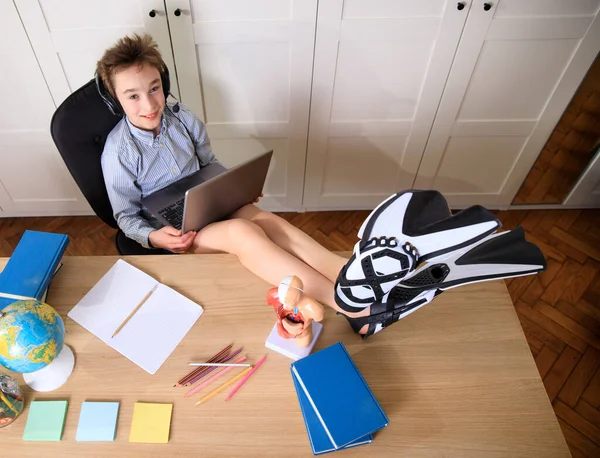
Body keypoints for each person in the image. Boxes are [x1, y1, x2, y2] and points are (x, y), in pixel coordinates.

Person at [96, 33, 366, 324]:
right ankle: (348, 305)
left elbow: (209, 163)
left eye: (154, 89)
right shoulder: (117, 152)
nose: (149, 105)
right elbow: (125, 215)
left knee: (268, 222)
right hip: (176, 230)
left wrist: (235, 187)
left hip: (209, 201)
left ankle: (350, 275)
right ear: (115, 101)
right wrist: (153, 237)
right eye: (133, 96)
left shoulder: (182, 117)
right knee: (243, 233)